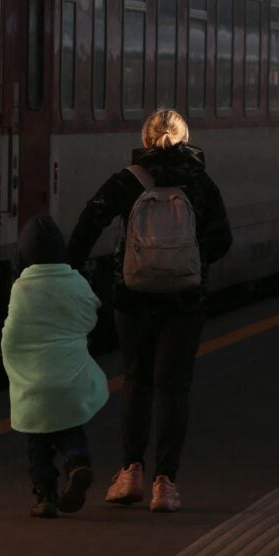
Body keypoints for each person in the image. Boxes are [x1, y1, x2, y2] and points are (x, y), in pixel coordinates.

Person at [67, 109, 232, 512]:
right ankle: (166, 484)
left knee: (137, 381)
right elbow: (222, 238)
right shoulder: (199, 182)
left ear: (145, 139)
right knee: (173, 388)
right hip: (185, 301)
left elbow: (89, 223)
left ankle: (131, 473)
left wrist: (73, 270)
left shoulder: (129, 179)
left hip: (132, 298)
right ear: (184, 138)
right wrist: (193, 263)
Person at [1, 214, 109, 518]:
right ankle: (77, 461)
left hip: (34, 384)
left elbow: (12, 335)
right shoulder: (75, 280)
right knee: (70, 426)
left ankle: (45, 496)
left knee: (38, 442)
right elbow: (91, 316)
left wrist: (18, 365)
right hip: (69, 379)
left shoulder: (21, 288)